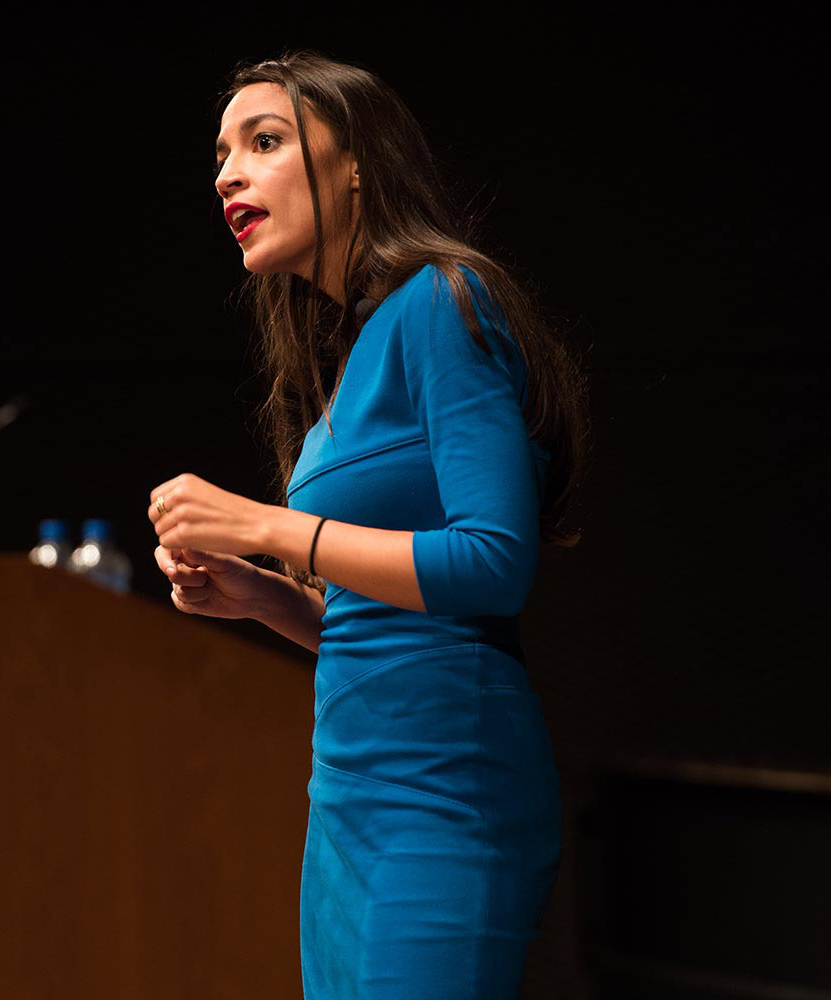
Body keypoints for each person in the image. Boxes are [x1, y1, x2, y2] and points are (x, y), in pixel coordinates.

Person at [145, 50, 591, 998]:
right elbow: (381, 627)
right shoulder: (355, 352)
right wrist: (262, 597)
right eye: (221, 153)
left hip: (444, 796)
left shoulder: (443, 299)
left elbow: (492, 565)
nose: (228, 172)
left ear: (359, 164)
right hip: (349, 797)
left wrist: (267, 529)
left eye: (264, 142)